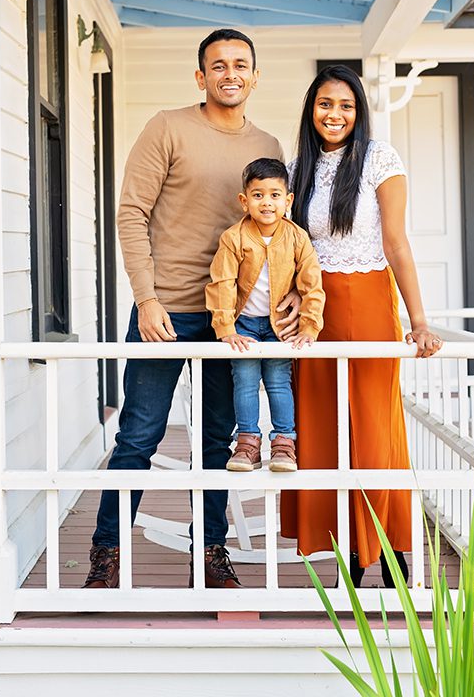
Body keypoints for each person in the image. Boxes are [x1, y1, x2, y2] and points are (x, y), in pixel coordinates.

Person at [84, 29, 298, 590]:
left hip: (238, 319)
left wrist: (292, 291)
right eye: (218, 65)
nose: (230, 73)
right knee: (138, 434)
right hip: (169, 311)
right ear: (201, 76)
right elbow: (131, 213)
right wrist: (147, 298)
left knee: (218, 440)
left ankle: (211, 551)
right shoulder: (167, 127)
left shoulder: (270, 147)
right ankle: (106, 554)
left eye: (241, 64)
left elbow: (283, 233)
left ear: (255, 76)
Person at [280, 64, 441, 588]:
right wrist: (287, 301)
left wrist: (418, 321)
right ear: (311, 108)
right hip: (315, 308)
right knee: (323, 424)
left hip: (369, 298)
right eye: (326, 104)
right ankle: (348, 548)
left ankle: (391, 547)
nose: (336, 114)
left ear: (359, 111)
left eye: (346, 105)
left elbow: (395, 241)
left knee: (373, 426)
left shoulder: (378, 158)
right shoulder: (297, 167)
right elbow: (287, 247)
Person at [206, 158, 325, 474]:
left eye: (275, 195)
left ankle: (284, 443)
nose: (267, 202)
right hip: (243, 323)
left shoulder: (297, 238)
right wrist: (226, 328)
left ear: (288, 201)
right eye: (258, 195)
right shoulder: (234, 238)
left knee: (278, 382)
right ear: (244, 201)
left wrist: (310, 327)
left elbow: (312, 283)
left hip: (279, 325)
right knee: (244, 382)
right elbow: (222, 282)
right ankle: (247, 443)